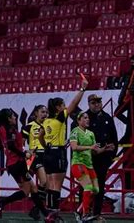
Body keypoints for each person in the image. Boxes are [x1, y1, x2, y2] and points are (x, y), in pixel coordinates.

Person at [41, 78, 88, 220]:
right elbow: (74, 104)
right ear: (58, 108)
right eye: (62, 105)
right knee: (57, 185)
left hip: (48, 152)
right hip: (58, 153)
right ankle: (53, 215)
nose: (64, 107)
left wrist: (46, 147)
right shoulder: (59, 118)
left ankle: (49, 213)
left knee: (50, 184)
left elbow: (40, 136)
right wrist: (82, 89)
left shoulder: (46, 120)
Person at [0, 109, 48, 219]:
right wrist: (23, 154)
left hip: (14, 163)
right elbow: (11, 146)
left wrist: (12, 151)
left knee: (33, 189)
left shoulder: (1, 129)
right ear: (9, 119)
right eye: (13, 116)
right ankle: (2, 202)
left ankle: (46, 215)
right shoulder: (9, 130)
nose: (15, 117)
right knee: (26, 191)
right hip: (17, 164)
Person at [70, 111, 115, 221]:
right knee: (88, 187)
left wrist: (105, 149)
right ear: (79, 120)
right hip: (78, 163)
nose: (87, 119)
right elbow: (74, 147)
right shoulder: (75, 132)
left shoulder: (90, 134)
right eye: (85, 118)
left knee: (95, 190)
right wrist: (90, 147)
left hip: (89, 165)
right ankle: (85, 214)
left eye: (88, 118)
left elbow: (95, 151)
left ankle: (79, 210)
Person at [83, 94, 118, 220]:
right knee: (86, 186)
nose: (97, 104)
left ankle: (96, 213)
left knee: (99, 186)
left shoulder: (107, 118)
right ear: (89, 104)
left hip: (103, 158)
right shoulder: (84, 118)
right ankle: (84, 211)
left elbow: (114, 139)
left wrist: (110, 157)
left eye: (98, 102)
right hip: (88, 157)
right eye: (94, 102)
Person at [22, 105, 49, 220]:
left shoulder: (48, 125)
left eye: (46, 112)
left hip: (46, 155)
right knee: (43, 182)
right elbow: (21, 144)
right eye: (42, 112)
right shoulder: (29, 126)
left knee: (45, 185)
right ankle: (36, 209)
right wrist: (27, 152)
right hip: (34, 156)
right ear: (36, 113)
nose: (45, 114)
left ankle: (36, 209)